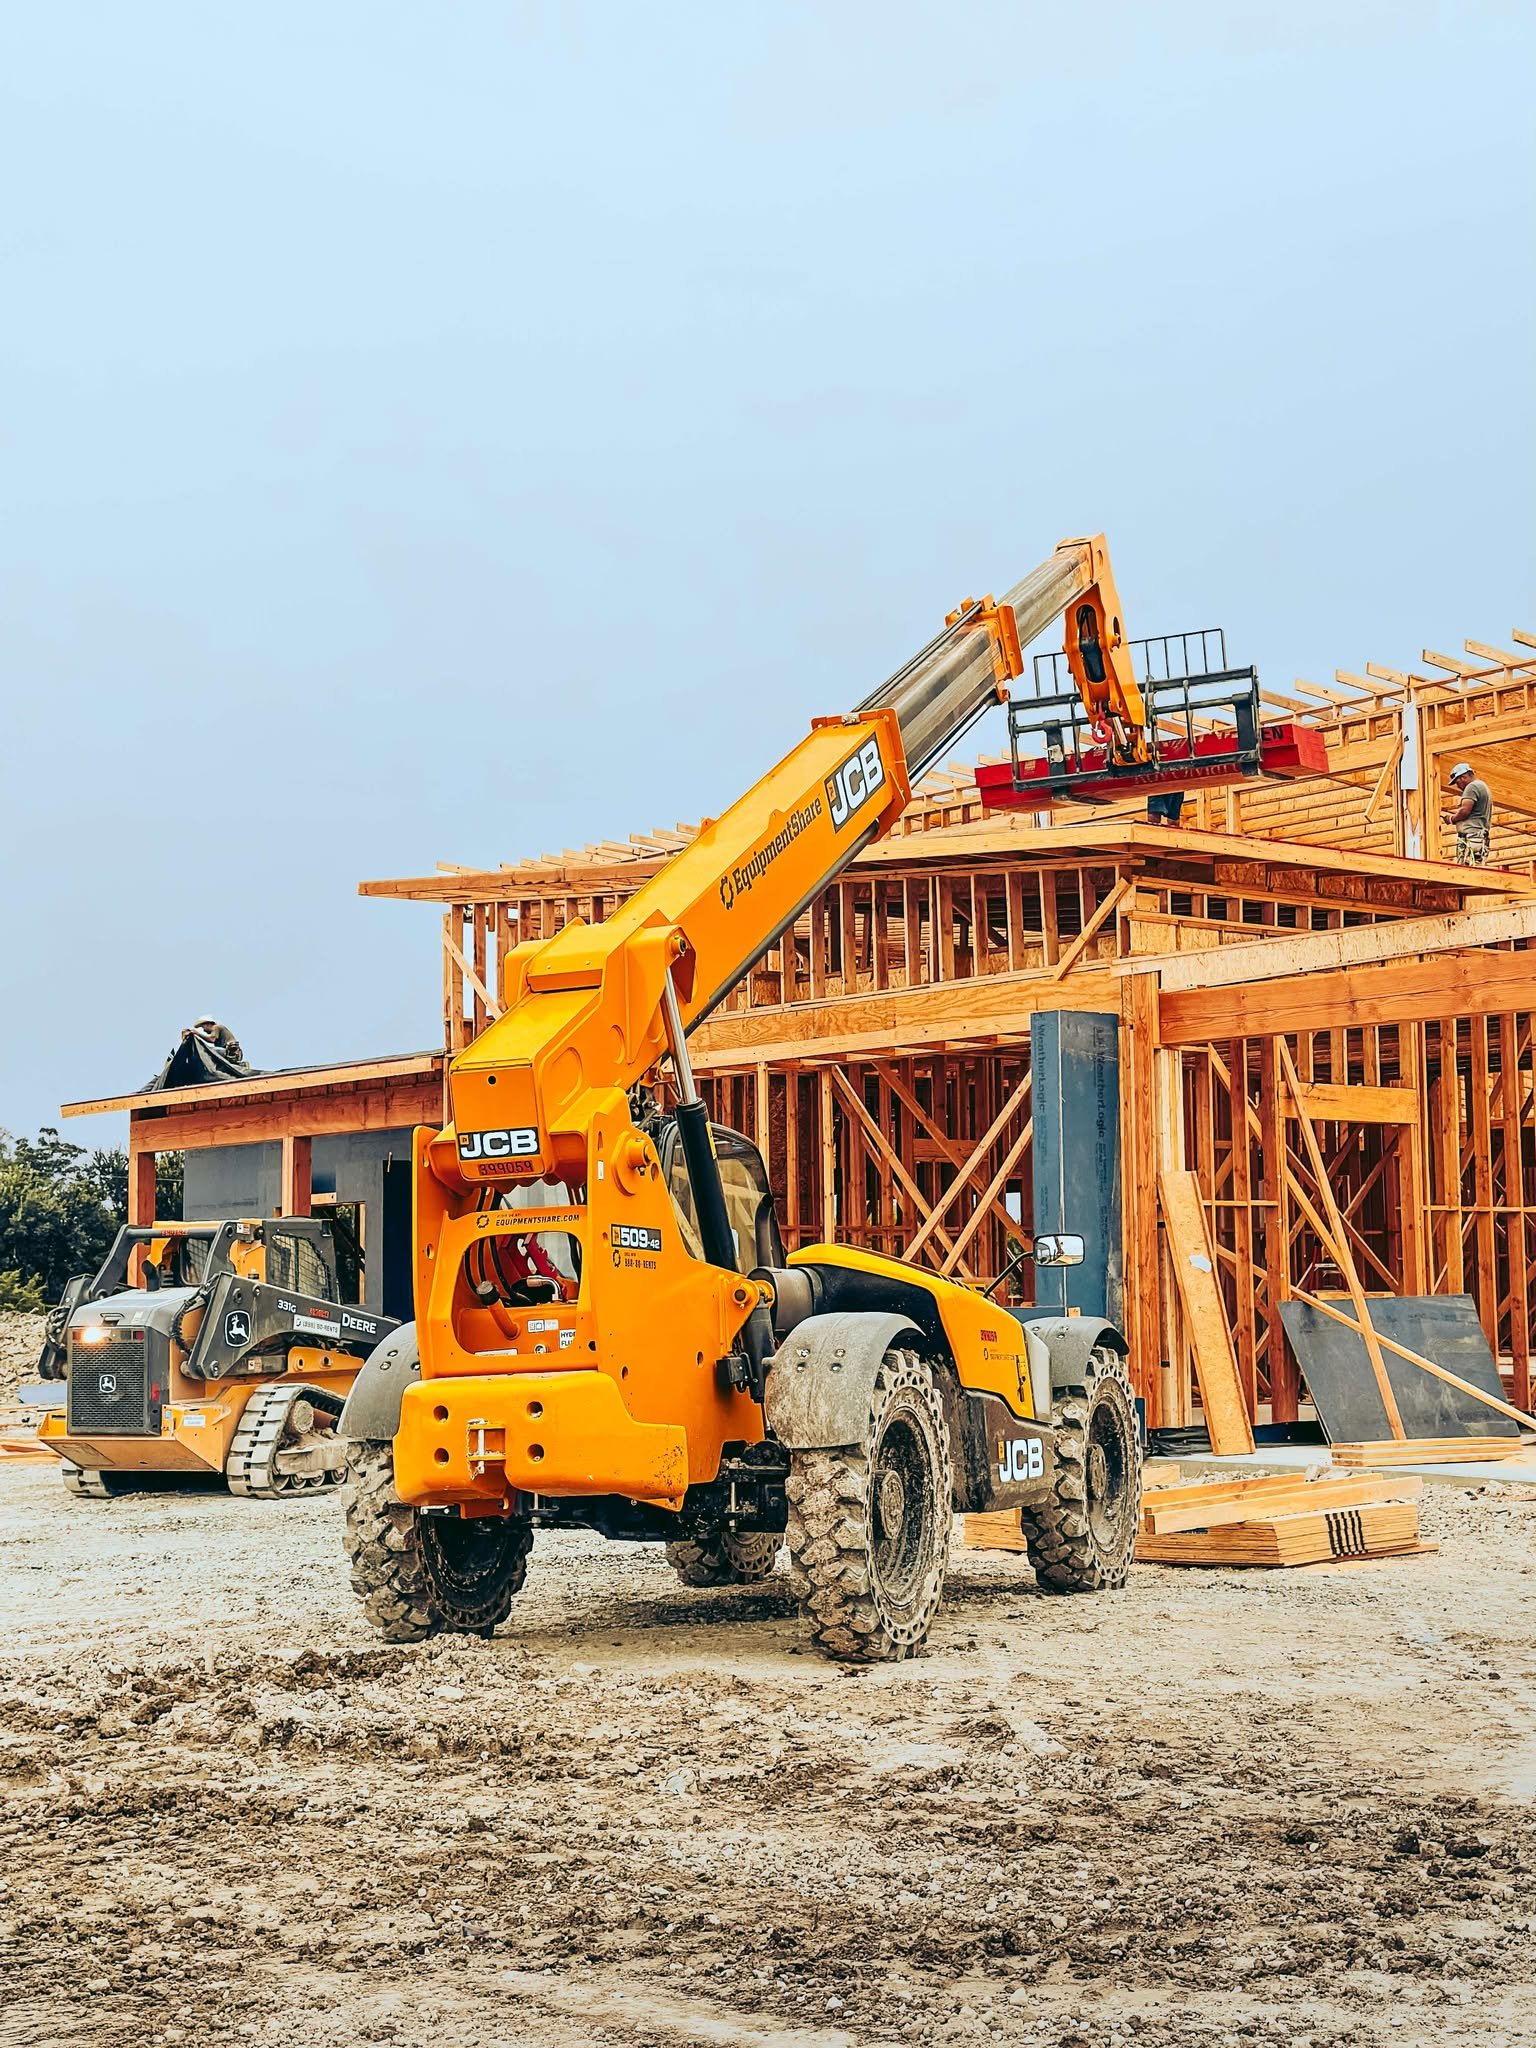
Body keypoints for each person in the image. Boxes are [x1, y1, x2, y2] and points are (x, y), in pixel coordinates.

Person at [1441, 762, 1493, 866]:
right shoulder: (1482, 786)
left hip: (1472, 837)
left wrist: (1451, 819)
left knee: (1468, 870)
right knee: (1475, 867)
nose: (1458, 786)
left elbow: (1465, 811)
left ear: (1463, 777)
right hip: (1477, 836)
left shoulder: (1472, 787)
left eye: (1457, 782)